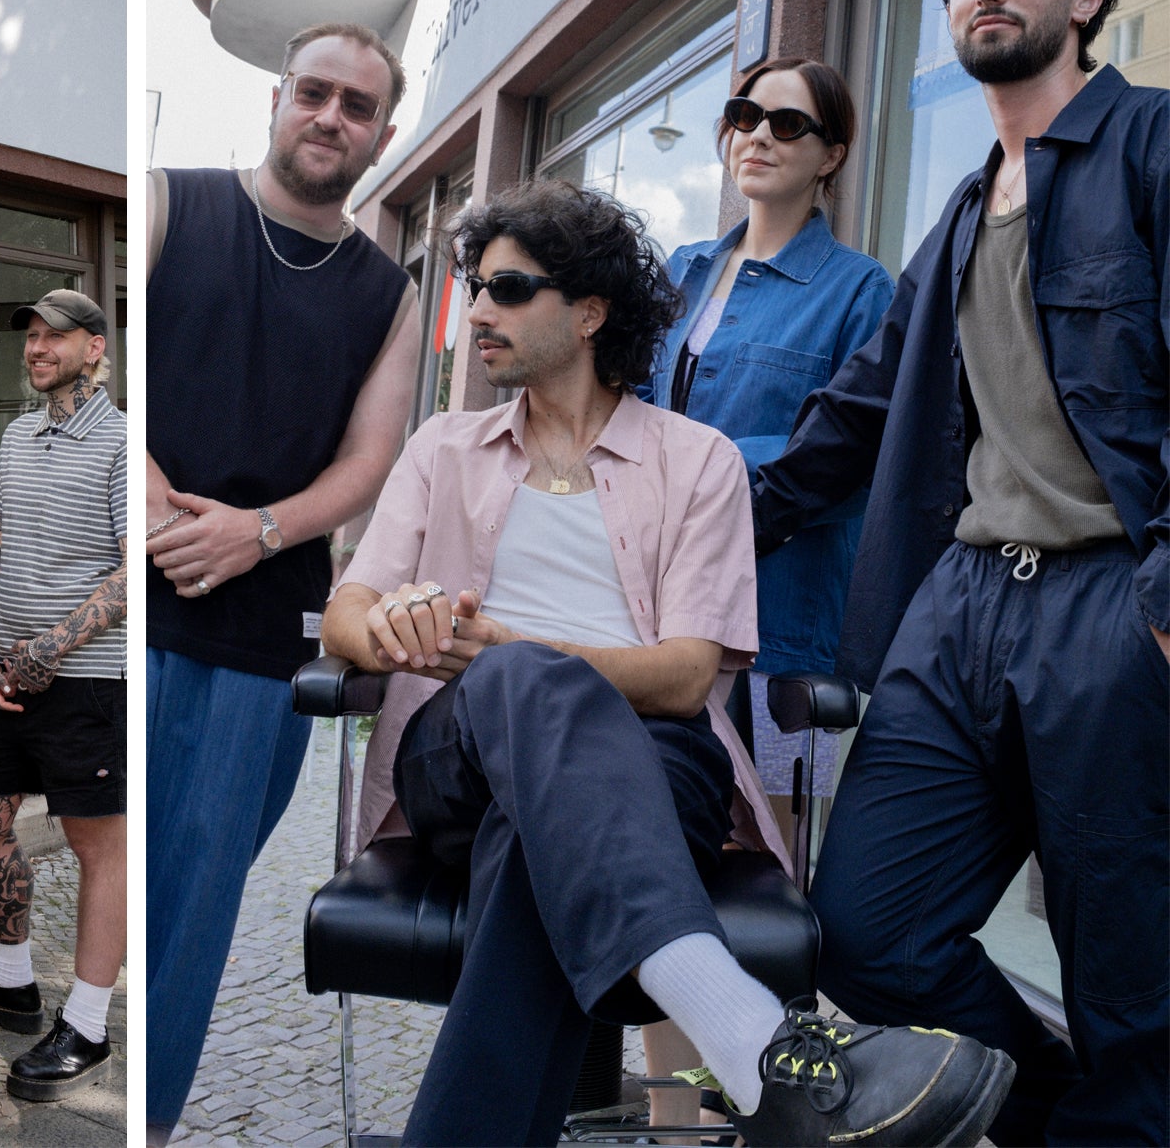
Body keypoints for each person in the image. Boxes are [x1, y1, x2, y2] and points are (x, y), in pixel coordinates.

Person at [327, 181, 1014, 1147]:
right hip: (459, 755)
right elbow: (347, 612)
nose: (477, 310)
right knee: (517, 683)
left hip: (656, 764)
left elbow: (690, 674)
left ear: (592, 311)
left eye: (509, 288)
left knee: (536, 809)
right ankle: (755, 1046)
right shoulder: (444, 447)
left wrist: (516, 648)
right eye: (474, 287)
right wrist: (390, 626)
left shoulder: (700, 461)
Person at [753, 0, 1170, 1144]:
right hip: (960, 608)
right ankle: (1043, 1107)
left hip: (1111, 603)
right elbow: (851, 425)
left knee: (1129, 983)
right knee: (862, 931)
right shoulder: (952, 217)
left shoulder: (1150, 142)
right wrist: (660, 521)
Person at [143, 21, 419, 1138]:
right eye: (315, 92)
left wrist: (255, 532)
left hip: (262, 638)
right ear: (275, 96)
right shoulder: (169, 201)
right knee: (120, 880)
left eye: (357, 107)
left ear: (382, 135)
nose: (330, 118)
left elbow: (368, 459)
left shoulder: (386, 293)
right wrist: (166, 515)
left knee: (193, 917)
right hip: (137, 600)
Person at [636, 61, 892, 1118]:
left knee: (764, 862)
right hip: (655, 615)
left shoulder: (861, 290)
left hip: (780, 631)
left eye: (791, 123)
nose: (760, 135)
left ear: (829, 154)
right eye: (743, 116)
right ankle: (667, 1111)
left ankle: (760, 1102)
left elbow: (840, 455)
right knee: (656, 842)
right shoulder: (682, 273)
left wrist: (700, 495)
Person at [0, 289, 127, 1101]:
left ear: (94, 348)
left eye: (53, 335)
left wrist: (52, 647)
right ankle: (10, 979)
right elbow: (3, 539)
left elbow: (135, 574)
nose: (35, 347)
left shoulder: (126, 444)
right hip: (8, 674)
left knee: (100, 848)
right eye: (29, 335)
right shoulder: (20, 435)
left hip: (90, 680)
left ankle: (90, 1025)